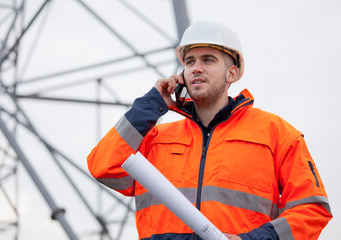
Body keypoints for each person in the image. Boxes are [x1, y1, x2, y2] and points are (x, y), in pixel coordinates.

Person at [87, 21, 332, 240]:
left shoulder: (276, 133)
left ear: (232, 73)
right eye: (190, 61)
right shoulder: (156, 139)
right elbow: (102, 167)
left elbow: (312, 210)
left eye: (208, 60)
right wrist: (151, 104)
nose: (196, 68)